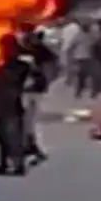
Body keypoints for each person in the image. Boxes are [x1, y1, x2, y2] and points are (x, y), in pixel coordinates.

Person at [0, 34, 44, 176]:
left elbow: (37, 80)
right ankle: (3, 163)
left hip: (13, 103)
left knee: (13, 134)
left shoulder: (21, 64)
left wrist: (27, 90)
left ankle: (18, 165)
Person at [19, 27, 59, 166]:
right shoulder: (32, 51)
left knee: (28, 120)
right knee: (26, 120)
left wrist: (44, 80)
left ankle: (31, 148)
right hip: (29, 90)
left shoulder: (40, 52)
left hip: (33, 91)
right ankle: (29, 147)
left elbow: (51, 69)